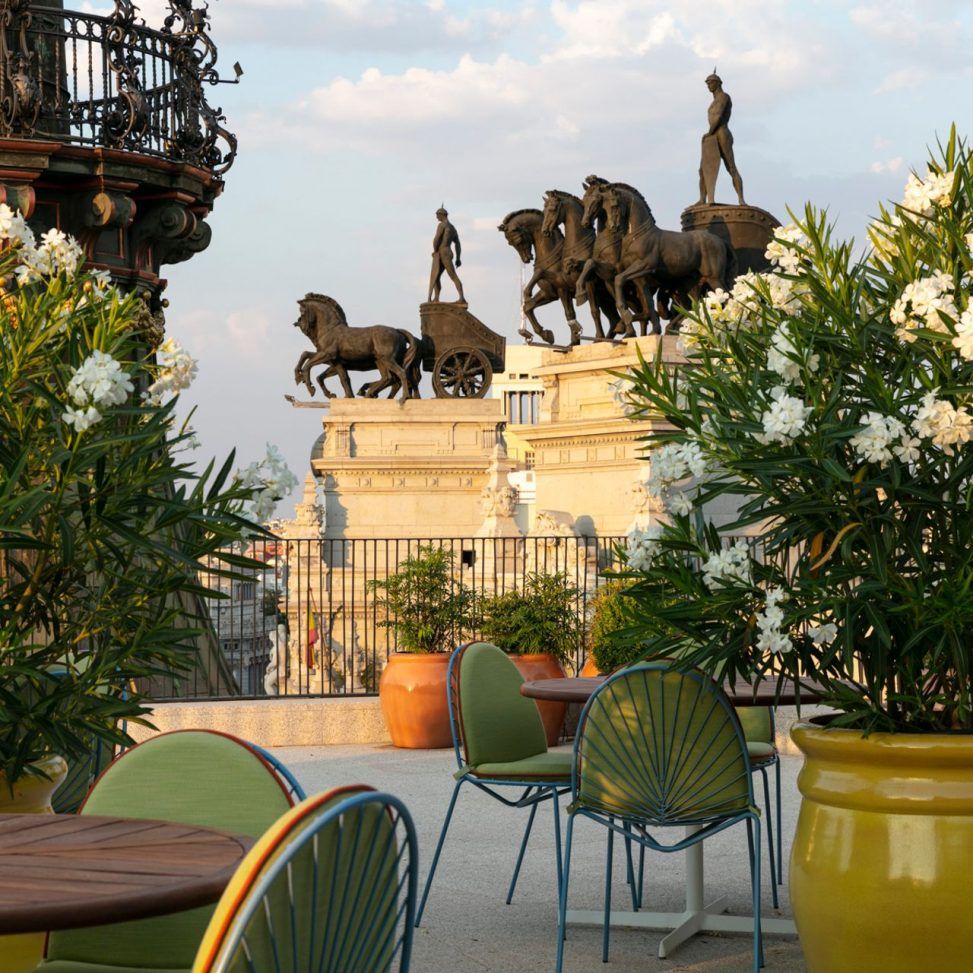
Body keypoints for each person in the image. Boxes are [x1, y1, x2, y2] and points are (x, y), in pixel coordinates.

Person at [697, 72, 746, 206]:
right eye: (707, 83)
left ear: (718, 83)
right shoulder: (714, 100)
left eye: (710, 82)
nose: (708, 85)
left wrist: (709, 133)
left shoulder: (724, 97)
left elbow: (718, 116)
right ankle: (703, 199)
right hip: (713, 135)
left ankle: (741, 200)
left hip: (722, 133)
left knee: (731, 167)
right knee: (702, 169)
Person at [427, 206, 466, 303]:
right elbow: (458, 244)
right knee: (437, 276)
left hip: (442, 252)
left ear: (442, 215)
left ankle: (461, 298)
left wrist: (435, 251)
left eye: (437, 215)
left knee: (451, 275)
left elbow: (436, 239)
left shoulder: (442, 225)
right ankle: (436, 298)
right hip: (449, 252)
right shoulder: (452, 228)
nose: (437, 218)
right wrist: (458, 258)